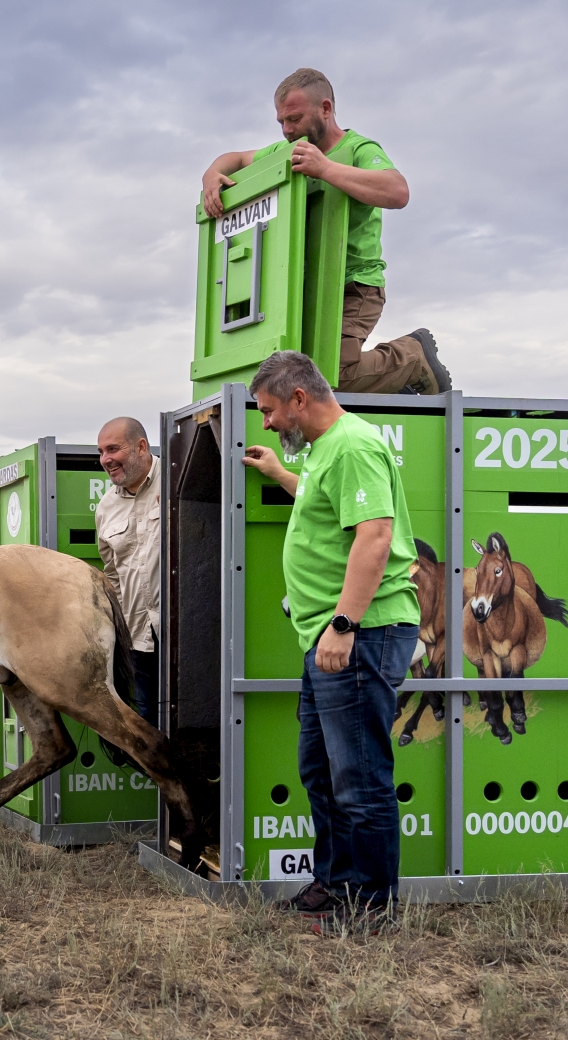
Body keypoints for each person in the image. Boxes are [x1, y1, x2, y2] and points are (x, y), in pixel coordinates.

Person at [241, 350, 420, 934]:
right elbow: (329, 508)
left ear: (299, 398)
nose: (266, 421)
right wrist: (281, 475)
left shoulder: (352, 446)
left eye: (269, 410)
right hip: (330, 637)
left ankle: (371, 907)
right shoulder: (325, 450)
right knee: (321, 771)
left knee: (359, 778)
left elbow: (375, 535)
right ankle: (336, 883)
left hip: (359, 635)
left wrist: (344, 624)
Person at [201, 68, 451, 396]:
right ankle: (392, 386)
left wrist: (326, 169)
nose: (288, 130)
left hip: (355, 285)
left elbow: (398, 191)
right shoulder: (289, 151)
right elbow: (236, 158)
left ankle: (412, 357)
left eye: (295, 119)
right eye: (281, 122)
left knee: (332, 377)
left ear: (326, 109)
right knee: (298, 379)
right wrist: (211, 174)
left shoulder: (358, 148)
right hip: (309, 290)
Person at [95, 416, 160, 728]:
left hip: (184, 637)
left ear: (141, 447)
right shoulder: (105, 508)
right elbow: (112, 577)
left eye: (113, 449)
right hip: (137, 640)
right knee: (145, 726)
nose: (105, 459)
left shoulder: (175, 482)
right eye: (101, 452)